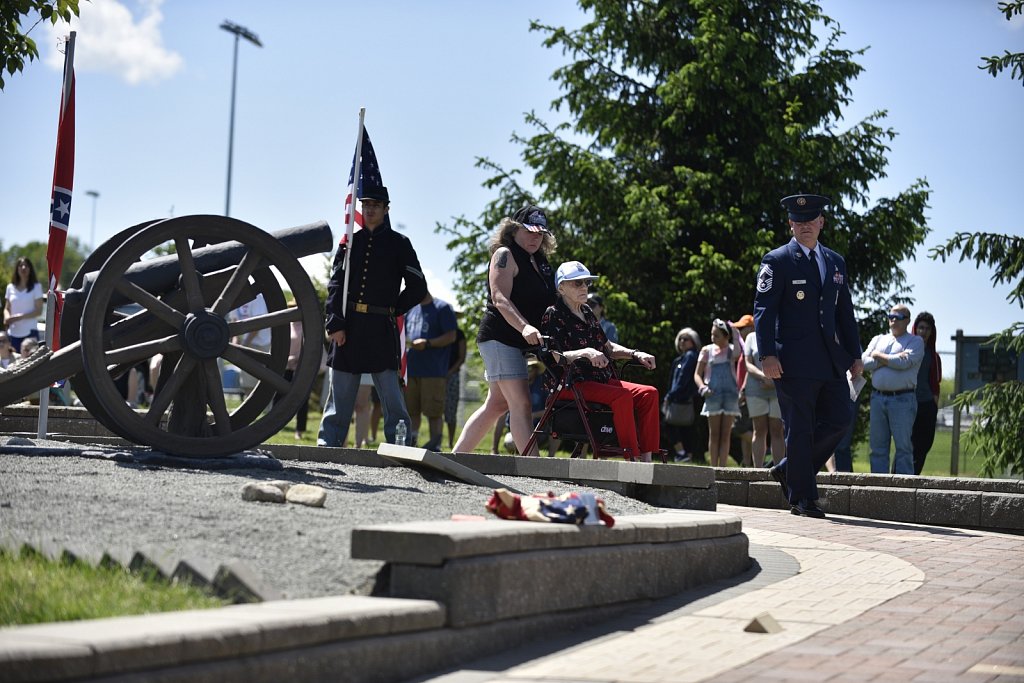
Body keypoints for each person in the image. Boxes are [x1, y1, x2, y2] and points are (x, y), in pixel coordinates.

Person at [754, 193, 863, 519]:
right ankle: (803, 498)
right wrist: (767, 355)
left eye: (810, 221)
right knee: (799, 429)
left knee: (840, 419)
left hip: (830, 360)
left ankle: (789, 470)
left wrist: (855, 355)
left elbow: (845, 313)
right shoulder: (777, 260)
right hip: (792, 362)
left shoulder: (834, 261)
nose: (805, 226)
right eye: (798, 221)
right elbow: (763, 312)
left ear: (821, 223)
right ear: (790, 223)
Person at [317, 185, 428, 447]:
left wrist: (394, 309)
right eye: (366, 204)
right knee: (339, 398)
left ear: (386, 209)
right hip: (349, 327)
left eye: (376, 205)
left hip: (381, 329)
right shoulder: (349, 242)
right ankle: (328, 446)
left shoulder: (399, 244)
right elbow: (335, 286)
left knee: (391, 396)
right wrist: (335, 322)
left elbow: (418, 286)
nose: (369, 209)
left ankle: (399, 447)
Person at [452, 206, 557, 455]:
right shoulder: (505, 254)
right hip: (500, 337)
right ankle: (535, 469)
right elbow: (499, 298)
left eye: (541, 234)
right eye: (530, 231)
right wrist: (525, 327)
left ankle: (454, 459)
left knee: (497, 404)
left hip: (520, 342)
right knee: (520, 403)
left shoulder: (541, 262)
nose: (535, 238)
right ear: (514, 229)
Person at [540, 261, 659, 462]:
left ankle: (647, 460)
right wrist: (585, 352)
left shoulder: (587, 311)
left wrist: (635, 354)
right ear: (561, 287)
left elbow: (608, 347)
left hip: (600, 380)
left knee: (649, 394)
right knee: (621, 397)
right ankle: (632, 458)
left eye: (586, 282)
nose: (584, 287)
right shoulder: (554, 314)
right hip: (571, 382)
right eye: (577, 283)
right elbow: (554, 356)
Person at [861, 304, 924, 475]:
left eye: (898, 317)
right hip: (877, 398)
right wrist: (891, 359)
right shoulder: (878, 339)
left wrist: (878, 356)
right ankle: (879, 488)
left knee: (903, 448)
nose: (893, 320)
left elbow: (904, 363)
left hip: (903, 399)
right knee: (877, 448)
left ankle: (903, 490)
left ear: (908, 320)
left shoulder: (915, 341)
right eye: (891, 316)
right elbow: (863, 363)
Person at [405, 292, 458, 450]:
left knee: (434, 412)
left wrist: (428, 343)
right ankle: (412, 443)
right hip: (412, 369)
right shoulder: (411, 310)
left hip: (433, 371)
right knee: (411, 411)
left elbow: (451, 336)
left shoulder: (442, 308)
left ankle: (435, 446)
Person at [694, 318, 742, 468]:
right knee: (714, 433)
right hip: (712, 394)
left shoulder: (731, 351)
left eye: (717, 335)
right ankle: (714, 467)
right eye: (712, 335)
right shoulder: (707, 351)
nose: (713, 338)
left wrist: (733, 329)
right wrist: (702, 388)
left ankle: (723, 467)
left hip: (730, 394)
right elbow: (697, 374)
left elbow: (739, 350)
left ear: (726, 336)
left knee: (726, 434)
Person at [743, 317, 786, 468]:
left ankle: (779, 468)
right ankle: (758, 469)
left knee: (777, 429)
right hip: (756, 389)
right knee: (759, 429)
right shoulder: (751, 337)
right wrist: (764, 376)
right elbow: (748, 363)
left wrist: (773, 380)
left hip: (777, 388)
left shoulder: (782, 334)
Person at [663, 327, 701, 462]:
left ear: (694, 341)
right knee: (686, 428)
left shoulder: (690, 356)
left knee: (668, 424)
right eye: (680, 338)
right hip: (682, 398)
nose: (682, 341)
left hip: (683, 398)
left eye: (686, 339)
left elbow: (683, 379)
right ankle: (685, 455)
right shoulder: (681, 358)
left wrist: (670, 395)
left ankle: (682, 453)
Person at [911, 311, 942, 475]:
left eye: (927, 329)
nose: (923, 331)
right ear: (915, 329)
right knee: (907, 446)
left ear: (931, 332)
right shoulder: (906, 350)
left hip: (927, 405)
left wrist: (934, 403)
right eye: (921, 328)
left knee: (924, 446)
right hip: (909, 404)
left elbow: (936, 383)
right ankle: (898, 478)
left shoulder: (934, 356)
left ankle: (914, 477)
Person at [4, 256, 45, 353]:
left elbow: (38, 311)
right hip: (13, 334)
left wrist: (19, 317)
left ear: (30, 269)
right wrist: (7, 317)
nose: (23, 268)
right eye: (20, 265)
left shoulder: (36, 287)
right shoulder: (10, 287)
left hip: (30, 333)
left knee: (31, 363)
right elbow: (6, 308)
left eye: (26, 265)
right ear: (17, 269)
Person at [444, 324, 467, 450]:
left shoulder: (459, 334)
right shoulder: (438, 331)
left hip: (452, 376)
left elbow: (461, 357)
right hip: (435, 375)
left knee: (451, 410)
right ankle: (435, 440)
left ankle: (450, 441)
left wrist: (450, 372)